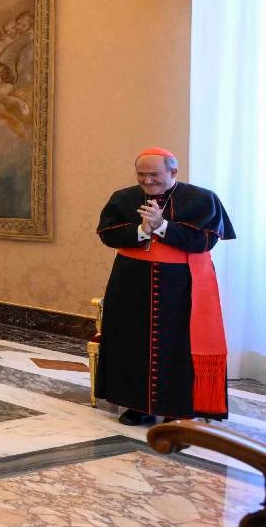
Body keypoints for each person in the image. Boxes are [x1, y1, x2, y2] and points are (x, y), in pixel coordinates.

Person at [96, 148, 235, 426]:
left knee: (178, 345)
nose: (147, 181)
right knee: (131, 342)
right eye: (141, 174)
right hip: (131, 282)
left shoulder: (202, 199)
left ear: (173, 172)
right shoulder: (123, 198)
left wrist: (162, 226)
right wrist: (141, 231)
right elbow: (108, 235)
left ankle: (177, 408)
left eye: (154, 175)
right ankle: (137, 405)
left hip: (182, 284)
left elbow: (204, 242)